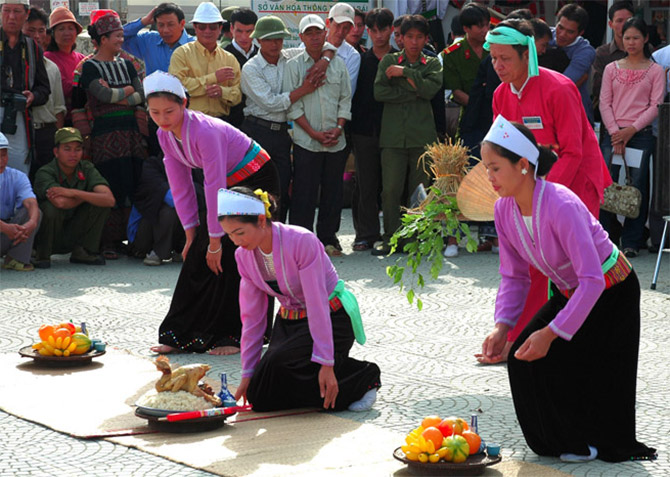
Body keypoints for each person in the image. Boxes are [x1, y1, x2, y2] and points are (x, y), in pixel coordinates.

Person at [478, 115, 657, 463]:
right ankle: (556, 442)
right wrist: (502, 327)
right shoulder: (503, 210)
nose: (489, 177)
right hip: (571, 291)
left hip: (612, 288)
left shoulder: (561, 204)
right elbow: (514, 276)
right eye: (486, 168)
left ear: (523, 165)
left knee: (592, 370)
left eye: (495, 168)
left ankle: (586, 443)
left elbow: (592, 279)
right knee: (522, 359)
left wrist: (552, 332)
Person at [480, 19, 611, 362]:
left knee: (572, 268)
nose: (498, 66)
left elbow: (573, 152)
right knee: (528, 264)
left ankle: (567, 340)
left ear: (528, 54)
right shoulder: (500, 95)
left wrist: (539, 199)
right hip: (531, 189)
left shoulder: (559, 88)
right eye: (493, 58)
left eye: (505, 58)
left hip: (574, 187)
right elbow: (500, 154)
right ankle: (521, 339)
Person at [143, 71, 279, 355]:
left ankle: (237, 335)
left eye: (169, 111)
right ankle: (179, 335)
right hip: (226, 186)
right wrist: (191, 234)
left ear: (184, 104)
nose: (162, 118)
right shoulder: (164, 135)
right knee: (197, 255)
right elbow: (180, 186)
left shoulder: (205, 130)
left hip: (256, 178)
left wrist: (215, 241)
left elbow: (213, 184)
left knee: (237, 252)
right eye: (155, 112)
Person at [219, 187, 381, 412]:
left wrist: (326, 363)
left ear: (261, 220)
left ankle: (362, 377)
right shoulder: (243, 256)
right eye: (229, 235)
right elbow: (252, 318)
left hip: (332, 316)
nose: (236, 241)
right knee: (260, 395)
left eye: (239, 232)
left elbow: (317, 303)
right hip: (290, 321)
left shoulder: (301, 241)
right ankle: (321, 380)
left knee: (283, 364)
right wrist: (248, 374)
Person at [240, 16, 333, 222]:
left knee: (281, 189)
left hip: (281, 133)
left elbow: (324, 46)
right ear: (258, 41)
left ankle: (279, 235)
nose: (275, 44)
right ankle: (256, 237)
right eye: (269, 40)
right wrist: (304, 90)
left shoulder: (290, 56)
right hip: (257, 131)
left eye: (279, 39)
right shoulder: (251, 68)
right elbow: (271, 103)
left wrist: (325, 59)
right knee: (256, 191)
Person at [372, 15, 442, 256]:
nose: (414, 42)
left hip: (422, 137)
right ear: (400, 37)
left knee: (420, 190)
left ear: (426, 39)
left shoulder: (432, 63)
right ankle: (391, 239)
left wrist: (405, 73)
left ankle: (416, 239)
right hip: (393, 137)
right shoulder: (389, 60)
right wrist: (413, 92)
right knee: (391, 189)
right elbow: (379, 92)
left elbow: (430, 90)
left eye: (419, 37)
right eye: (409, 36)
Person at [283, 14, 352, 257]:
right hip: (306, 140)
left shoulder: (338, 64)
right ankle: (301, 242)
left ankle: (328, 239)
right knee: (304, 193)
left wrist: (339, 128)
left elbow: (345, 99)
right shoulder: (293, 66)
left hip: (335, 140)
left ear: (325, 34)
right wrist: (313, 133)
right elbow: (292, 106)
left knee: (333, 192)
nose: (314, 37)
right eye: (309, 33)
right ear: (301, 37)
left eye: (318, 32)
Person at [79, 11, 147, 259]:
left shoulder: (127, 64)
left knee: (131, 183)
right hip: (104, 135)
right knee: (108, 183)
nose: (121, 40)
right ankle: (107, 241)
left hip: (131, 134)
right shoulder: (89, 67)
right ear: (103, 39)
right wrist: (127, 92)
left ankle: (127, 238)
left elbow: (141, 95)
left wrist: (118, 94)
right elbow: (102, 95)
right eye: (117, 36)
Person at [599, 17, 665, 259]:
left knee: (637, 187)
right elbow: (604, 102)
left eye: (636, 37)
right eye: (627, 37)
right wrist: (615, 132)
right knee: (606, 186)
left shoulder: (655, 70)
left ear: (645, 39)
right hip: (613, 134)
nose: (631, 42)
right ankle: (606, 238)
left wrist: (631, 130)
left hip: (641, 135)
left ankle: (632, 241)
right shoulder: (611, 68)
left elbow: (656, 105)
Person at [33, 127, 114, 268]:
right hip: (51, 234)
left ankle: (83, 251)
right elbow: (60, 203)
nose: (73, 154)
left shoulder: (86, 168)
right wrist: (88, 195)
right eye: (67, 149)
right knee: (50, 208)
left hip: (73, 231)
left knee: (100, 204)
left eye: (78, 149)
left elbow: (109, 200)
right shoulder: (45, 172)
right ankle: (42, 254)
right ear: (56, 152)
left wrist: (74, 193)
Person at [350, 8, 396, 252]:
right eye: (374, 30)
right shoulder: (359, 60)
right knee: (365, 184)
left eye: (383, 29)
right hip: (364, 130)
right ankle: (365, 234)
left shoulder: (400, 59)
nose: (379, 35)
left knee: (393, 186)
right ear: (368, 31)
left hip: (395, 131)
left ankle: (394, 234)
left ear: (392, 30)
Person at [0, 0, 51, 175]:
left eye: (17, 11)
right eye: (6, 10)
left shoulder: (32, 47)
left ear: (26, 14)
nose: (11, 17)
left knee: (18, 169)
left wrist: (33, 97)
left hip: (18, 116)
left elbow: (44, 89)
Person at [169, 2, 241, 122]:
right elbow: (178, 88)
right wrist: (214, 78)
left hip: (221, 122)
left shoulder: (229, 59)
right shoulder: (181, 54)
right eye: (202, 27)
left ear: (220, 28)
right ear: (195, 28)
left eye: (212, 27)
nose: (207, 31)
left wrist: (222, 92)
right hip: (190, 121)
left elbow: (238, 94)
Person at [22, 7, 66, 183]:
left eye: (41, 31)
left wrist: (58, 142)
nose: (37, 36)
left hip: (46, 134)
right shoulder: (9, 65)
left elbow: (58, 109)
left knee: (46, 183)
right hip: (20, 132)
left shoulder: (52, 68)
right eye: (31, 30)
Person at [441, 2, 490, 135]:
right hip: (470, 115)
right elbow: (456, 92)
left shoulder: (496, 48)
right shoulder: (452, 55)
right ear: (466, 28)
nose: (485, 30)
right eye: (480, 26)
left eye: (487, 25)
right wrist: (479, 107)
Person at [127, 155, 185, 266]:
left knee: (201, 209)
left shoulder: (191, 166)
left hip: (166, 230)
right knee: (170, 211)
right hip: (141, 236)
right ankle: (158, 253)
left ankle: (181, 250)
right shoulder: (152, 166)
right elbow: (173, 199)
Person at [0, 132, 40, 271]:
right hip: (5, 229)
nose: (1, 161)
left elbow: (30, 202)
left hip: (7, 232)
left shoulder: (17, 176)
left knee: (34, 212)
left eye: (3, 155)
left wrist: (32, 223)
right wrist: (5, 228)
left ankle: (15, 258)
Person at [550, 3, 596, 124]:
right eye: (560, 27)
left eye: (570, 32)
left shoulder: (585, 51)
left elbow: (563, 83)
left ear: (580, 33)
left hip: (575, 115)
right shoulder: (544, 36)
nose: (562, 34)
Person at [122, 2, 194, 76]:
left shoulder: (195, 46)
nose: (165, 30)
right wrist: (143, 22)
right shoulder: (149, 41)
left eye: (170, 25)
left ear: (182, 24)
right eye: (161, 25)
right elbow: (119, 37)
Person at [591, 1, 634, 124]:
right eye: (619, 21)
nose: (624, 25)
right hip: (609, 118)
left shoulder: (646, 51)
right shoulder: (602, 53)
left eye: (628, 20)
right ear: (611, 24)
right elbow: (598, 89)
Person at [44, 7, 84, 122]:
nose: (67, 33)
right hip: (61, 119)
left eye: (71, 28)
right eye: (61, 29)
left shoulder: (82, 59)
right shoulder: (48, 58)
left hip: (83, 119)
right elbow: (64, 89)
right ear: (53, 34)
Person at [224, 8, 258, 129]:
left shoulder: (262, 56)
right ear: (231, 28)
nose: (244, 37)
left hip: (258, 124)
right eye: (239, 31)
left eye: (249, 31)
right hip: (230, 123)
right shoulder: (222, 56)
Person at [326, 3, 360, 95]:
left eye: (346, 28)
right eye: (337, 25)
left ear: (350, 29)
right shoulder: (307, 45)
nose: (341, 32)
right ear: (328, 23)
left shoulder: (353, 56)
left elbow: (347, 93)